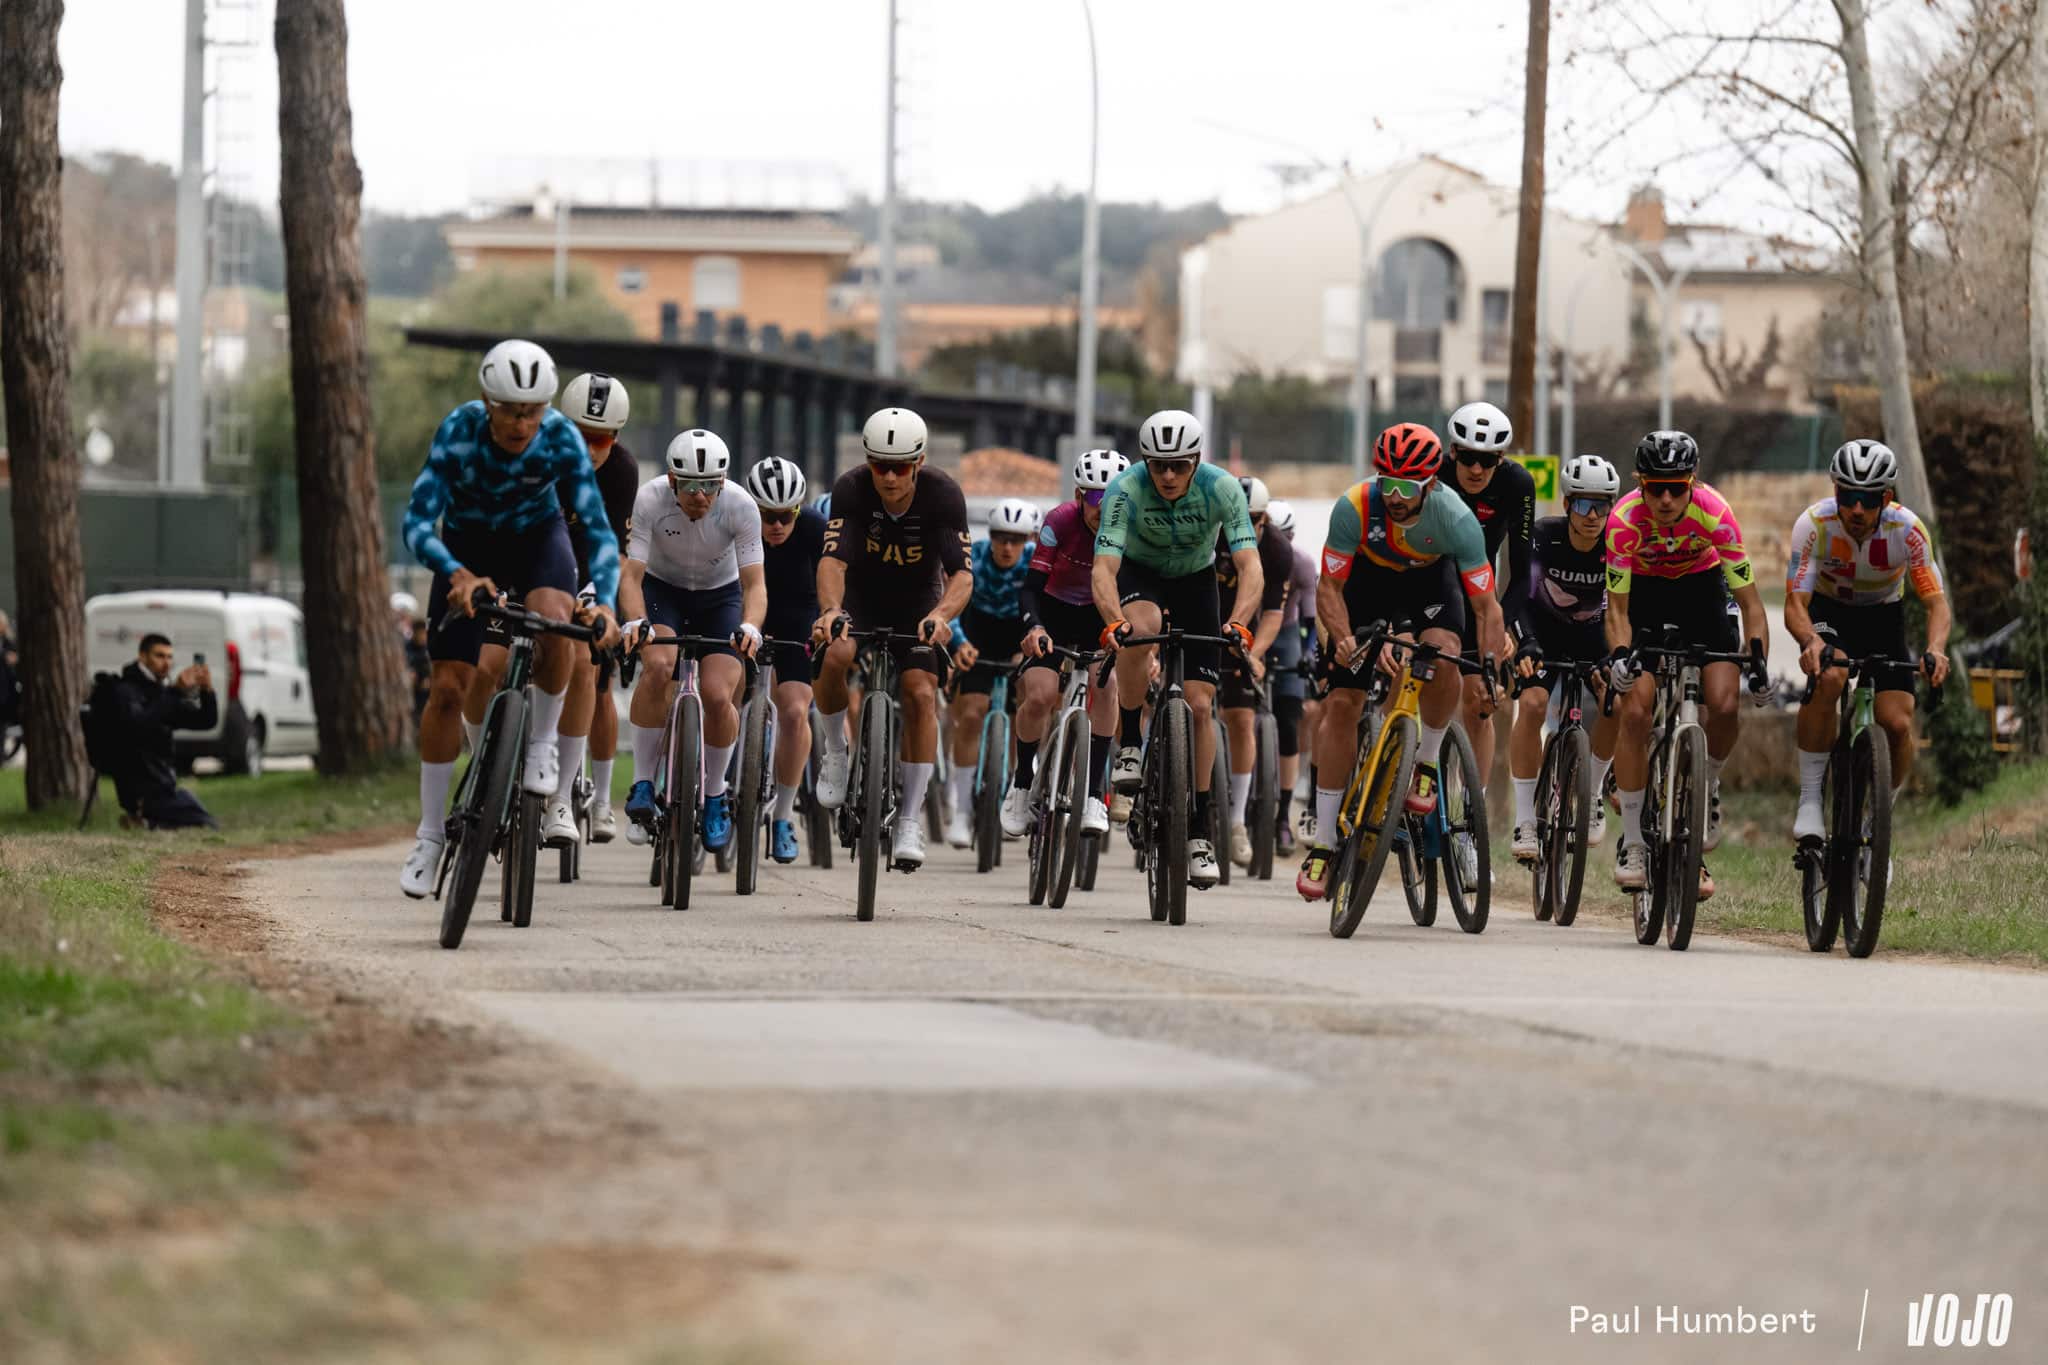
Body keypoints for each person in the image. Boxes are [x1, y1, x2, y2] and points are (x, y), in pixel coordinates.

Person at [397, 338, 622, 899]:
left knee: (555, 621)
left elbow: (594, 531)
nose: (522, 425)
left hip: (537, 541)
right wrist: (454, 573)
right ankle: (429, 836)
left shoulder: (561, 439)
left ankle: (543, 744)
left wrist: (607, 601)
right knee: (448, 687)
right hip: (468, 547)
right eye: (509, 411)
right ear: (486, 401)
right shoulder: (459, 431)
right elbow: (418, 523)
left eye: (533, 411)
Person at [1297, 423, 1504, 901]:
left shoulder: (1456, 518)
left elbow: (1485, 608)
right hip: (1368, 582)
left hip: (1430, 583)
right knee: (1343, 704)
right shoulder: (1354, 507)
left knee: (1446, 655)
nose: (1394, 495)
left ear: (1431, 483)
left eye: (1406, 487)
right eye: (1386, 483)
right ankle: (1325, 843)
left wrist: (1490, 666)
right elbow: (1329, 588)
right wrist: (1345, 638)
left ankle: (1426, 765)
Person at [1093, 409, 1262, 889]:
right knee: (1139, 627)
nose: (1168, 475)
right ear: (1145, 462)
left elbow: (1250, 567)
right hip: (1140, 574)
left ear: (1196, 461)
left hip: (1195, 581)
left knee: (1202, 706)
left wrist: (1239, 624)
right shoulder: (1124, 489)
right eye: (1158, 465)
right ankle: (1129, 741)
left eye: (1179, 465)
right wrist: (1114, 622)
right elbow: (1104, 567)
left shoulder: (1222, 487)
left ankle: (1200, 831)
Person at [1603, 430, 1771, 898]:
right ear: (1640, 484)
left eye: (1677, 487)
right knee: (1635, 711)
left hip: (1701, 593)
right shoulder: (1623, 521)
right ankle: (1634, 841)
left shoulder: (1715, 513)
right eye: (1655, 487)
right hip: (1645, 598)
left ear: (1692, 483)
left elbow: (1752, 604)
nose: (1666, 498)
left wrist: (1758, 661)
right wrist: (1620, 657)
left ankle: (1706, 783)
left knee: (1724, 702)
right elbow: (1617, 611)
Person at [813, 407, 973, 869]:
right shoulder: (851, 488)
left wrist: (942, 615)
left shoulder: (943, 495)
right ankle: (837, 752)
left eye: (899, 467)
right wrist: (830, 611)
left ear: (918, 462)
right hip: (860, 594)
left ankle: (909, 818)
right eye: (878, 465)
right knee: (835, 651)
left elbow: (962, 574)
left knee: (921, 693)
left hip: (917, 601)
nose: (887, 476)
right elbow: (833, 563)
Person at [1784, 439, 1951, 843]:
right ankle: (1810, 797)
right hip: (1829, 611)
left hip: (1882, 615)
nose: (1856, 509)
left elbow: (1936, 605)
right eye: (1847, 495)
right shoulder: (1813, 525)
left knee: (1897, 723)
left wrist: (1935, 649)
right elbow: (1795, 603)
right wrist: (1810, 641)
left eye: (1868, 498)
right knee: (1830, 676)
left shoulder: (1908, 530)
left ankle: (1879, 817)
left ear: (1886, 497)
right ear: (1836, 492)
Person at [618, 429, 767, 854]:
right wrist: (635, 622)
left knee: (719, 694)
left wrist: (752, 626)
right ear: (671, 481)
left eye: (709, 486)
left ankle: (716, 794)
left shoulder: (741, 506)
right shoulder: (648, 500)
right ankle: (643, 782)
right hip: (663, 592)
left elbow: (755, 584)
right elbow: (631, 575)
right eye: (689, 485)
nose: (699, 496)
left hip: (721, 597)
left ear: (722, 483)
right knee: (659, 667)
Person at [1506, 456, 1622, 860]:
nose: (1593, 515)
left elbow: (1626, 607)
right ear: (1568, 505)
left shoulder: (1617, 544)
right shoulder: (1543, 536)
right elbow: (1519, 595)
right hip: (1542, 633)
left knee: (1617, 700)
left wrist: (1615, 655)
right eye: (1584, 505)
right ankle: (1524, 820)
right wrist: (1524, 643)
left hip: (1594, 636)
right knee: (1534, 704)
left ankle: (1591, 796)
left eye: (1602, 505)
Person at [544, 373, 641, 847]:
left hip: (589, 567)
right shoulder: (539, 453)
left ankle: (582, 796)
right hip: (540, 560)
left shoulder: (622, 471)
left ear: (616, 437)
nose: (589, 448)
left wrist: (604, 602)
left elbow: (617, 553)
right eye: (579, 435)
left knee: (590, 669)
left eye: (600, 439)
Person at [1012, 449, 1128, 841]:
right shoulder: (1059, 521)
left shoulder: (1132, 528)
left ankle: (1095, 793)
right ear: (1080, 496)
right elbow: (1029, 589)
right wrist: (1035, 627)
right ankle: (1021, 784)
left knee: (1107, 685)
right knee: (1041, 696)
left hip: (1101, 614)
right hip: (1055, 611)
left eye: (1115, 499)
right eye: (1097, 499)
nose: (1105, 508)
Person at [1442, 400, 1531, 791]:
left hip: (1479, 593)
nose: (1476, 470)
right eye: (1468, 458)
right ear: (1452, 453)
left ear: (1501, 460)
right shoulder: (1434, 475)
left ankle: (1469, 814)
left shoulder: (1517, 484)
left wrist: (1506, 622)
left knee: (1481, 701)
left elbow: (1523, 572)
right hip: (1428, 584)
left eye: (1487, 461)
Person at [945, 497, 1043, 846]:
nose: (1007, 547)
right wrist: (959, 644)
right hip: (979, 635)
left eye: (1016, 540)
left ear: (1029, 540)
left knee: (1028, 713)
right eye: (1001, 537)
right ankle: (961, 811)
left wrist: (1028, 648)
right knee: (971, 714)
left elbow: (1047, 608)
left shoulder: (1036, 562)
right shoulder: (977, 556)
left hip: (1021, 637)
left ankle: (1018, 791)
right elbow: (951, 605)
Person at [743, 457, 824, 864]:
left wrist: (828, 619)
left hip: (797, 616)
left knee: (794, 711)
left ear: (799, 510)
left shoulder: (813, 528)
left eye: (785, 515)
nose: (776, 525)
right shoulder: (737, 522)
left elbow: (831, 579)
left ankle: (783, 815)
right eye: (766, 516)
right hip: (746, 613)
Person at [1215, 476, 1295, 867]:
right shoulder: (1208, 535)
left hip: (1241, 631)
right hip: (1200, 618)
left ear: (1265, 519)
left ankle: (1235, 824)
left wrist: (1255, 653)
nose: (1243, 527)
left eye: (1253, 519)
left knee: (1242, 719)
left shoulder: (1278, 550)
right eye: (1236, 519)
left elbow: (1275, 614)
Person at [106, 633, 219, 830]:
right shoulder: (125, 691)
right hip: (141, 791)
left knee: (200, 816)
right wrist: (174, 692)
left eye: (169, 657)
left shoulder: (161, 692)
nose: (166, 663)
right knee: (203, 823)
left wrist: (207, 691)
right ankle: (146, 820)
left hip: (163, 787)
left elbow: (205, 721)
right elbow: (139, 726)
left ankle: (148, 823)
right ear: (142, 657)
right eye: (159, 656)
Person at [1264, 500, 1317, 852]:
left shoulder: (1302, 562)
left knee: (1288, 719)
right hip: (1248, 626)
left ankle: (1282, 814)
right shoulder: (1250, 552)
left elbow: (1311, 623)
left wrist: (1309, 657)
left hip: (1286, 630)